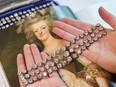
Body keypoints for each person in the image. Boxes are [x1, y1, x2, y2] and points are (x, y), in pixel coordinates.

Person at [17, 7, 116, 87]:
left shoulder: (65, 42)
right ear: (32, 34)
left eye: (43, 27)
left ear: (48, 27)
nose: (40, 32)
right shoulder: (41, 57)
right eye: (36, 30)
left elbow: (90, 64)